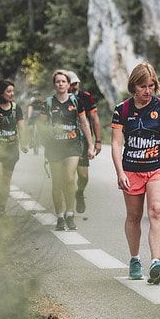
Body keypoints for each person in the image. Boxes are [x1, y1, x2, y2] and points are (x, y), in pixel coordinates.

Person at [111, 62, 160, 284]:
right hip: (132, 169)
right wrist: (120, 172)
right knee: (134, 216)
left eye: (151, 86)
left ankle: (156, 262)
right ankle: (135, 259)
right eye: (142, 86)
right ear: (133, 86)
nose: (147, 91)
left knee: (157, 210)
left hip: (158, 168)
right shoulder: (122, 110)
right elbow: (116, 144)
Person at [40, 70, 95, 231]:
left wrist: (91, 145)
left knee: (70, 178)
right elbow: (40, 125)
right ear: (54, 84)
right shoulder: (48, 103)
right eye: (58, 81)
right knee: (57, 182)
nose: (61, 84)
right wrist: (46, 135)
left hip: (73, 145)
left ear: (68, 84)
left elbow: (84, 123)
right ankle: (59, 216)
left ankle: (70, 214)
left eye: (63, 81)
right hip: (54, 147)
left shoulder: (76, 101)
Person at [0, 80, 29, 211]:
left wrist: (24, 143)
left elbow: (21, 127)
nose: (12, 94)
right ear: (1, 93)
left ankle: (1, 208)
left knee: (6, 181)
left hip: (11, 150)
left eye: (13, 91)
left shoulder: (16, 108)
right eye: (8, 91)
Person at [68, 71, 102, 214]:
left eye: (76, 83)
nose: (75, 86)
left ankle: (80, 192)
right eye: (72, 84)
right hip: (65, 142)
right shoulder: (58, 99)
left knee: (83, 176)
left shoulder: (85, 97)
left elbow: (94, 118)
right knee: (67, 176)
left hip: (82, 140)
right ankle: (66, 208)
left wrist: (97, 141)